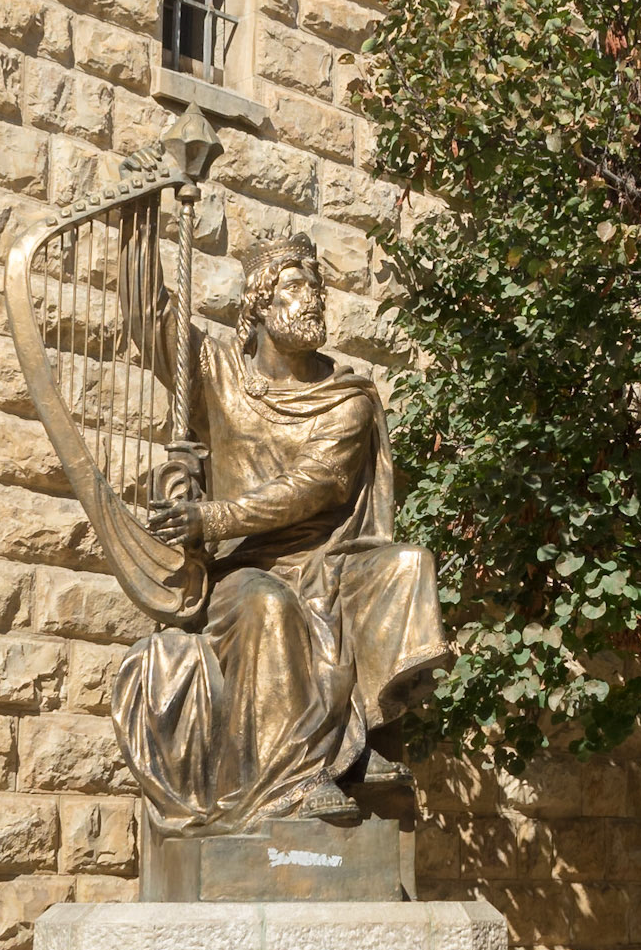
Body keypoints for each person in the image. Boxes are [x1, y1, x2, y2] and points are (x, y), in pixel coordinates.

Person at [111, 231, 447, 832]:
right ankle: (294, 784)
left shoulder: (347, 398)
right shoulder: (217, 374)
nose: (312, 299)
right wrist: (141, 219)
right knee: (267, 603)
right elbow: (146, 316)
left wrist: (212, 516)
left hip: (332, 561)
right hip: (246, 570)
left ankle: (361, 746)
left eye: (316, 288)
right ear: (260, 306)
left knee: (408, 564)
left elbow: (318, 485)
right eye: (295, 288)